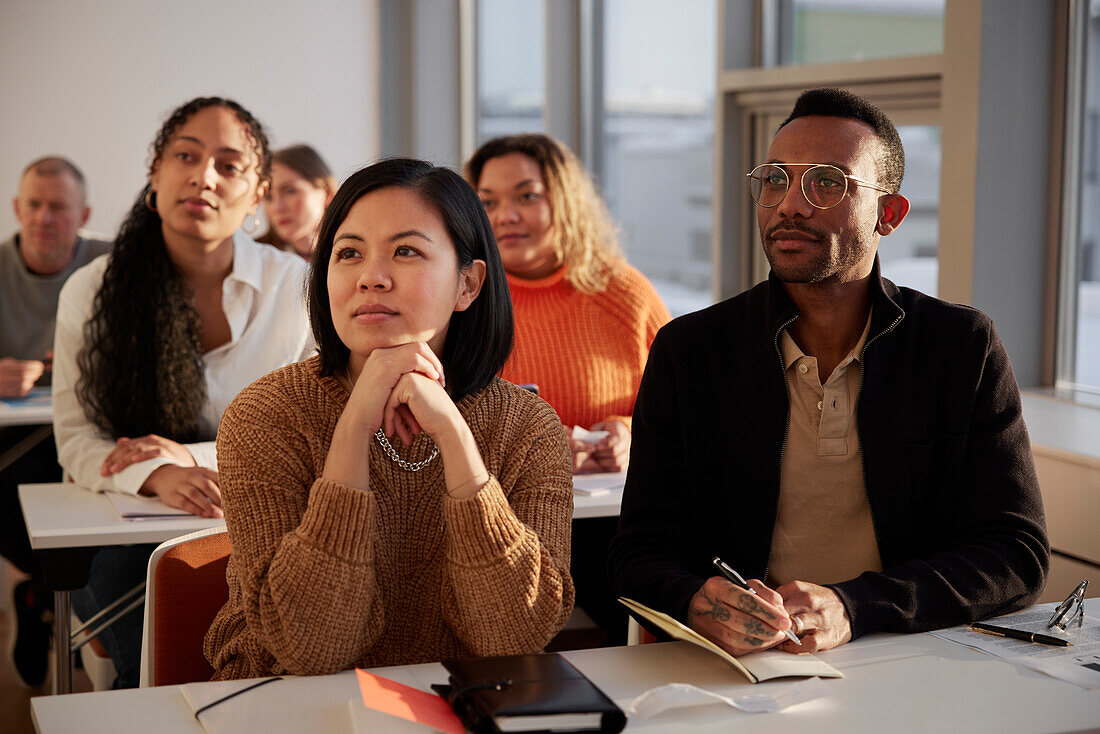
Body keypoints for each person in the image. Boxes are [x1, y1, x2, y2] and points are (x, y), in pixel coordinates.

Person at [609, 87, 1049, 657]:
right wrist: (695, 599)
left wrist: (852, 606)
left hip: (909, 657)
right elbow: (637, 552)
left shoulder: (959, 347)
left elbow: (1015, 553)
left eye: (826, 182)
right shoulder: (692, 350)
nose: (791, 204)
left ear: (888, 214)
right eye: (775, 180)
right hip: (746, 670)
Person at [204, 158, 574, 679]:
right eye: (349, 253)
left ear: (468, 284)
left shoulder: (528, 428)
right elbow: (308, 649)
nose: (371, 278)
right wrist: (353, 428)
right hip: (287, 707)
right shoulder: (267, 416)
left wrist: (455, 439)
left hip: (456, 708)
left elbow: (513, 636)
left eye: (406, 251)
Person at [51, 97, 314, 688]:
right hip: (124, 533)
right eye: (186, 156)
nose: (203, 176)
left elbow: (308, 428)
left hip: (265, 520)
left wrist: (186, 458)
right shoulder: (91, 292)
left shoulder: (295, 287)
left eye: (229, 164)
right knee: (159, 656)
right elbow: (75, 438)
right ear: (156, 173)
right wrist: (155, 476)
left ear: (258, 193)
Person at [466, 134, 671, 646]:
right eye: (487, 202)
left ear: (565, 200)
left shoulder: (623, 292)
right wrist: (534, 443)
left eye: (526, 195)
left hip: (614, 524)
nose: (506, 215)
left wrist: (627, 431)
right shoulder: (461, 301)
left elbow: (684, 412)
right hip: (503, 520)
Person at [1, 156, 111, 687]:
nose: (44, 218)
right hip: (13, 444)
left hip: (89, 432)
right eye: (35, 205)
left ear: (83, 214)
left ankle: (42, 595)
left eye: (59, 208)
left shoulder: (113, 265)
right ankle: (47, 591)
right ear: (17, 208)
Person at [258, 144, 336, 260]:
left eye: (290, 191)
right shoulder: (255, 259)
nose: (278, 207)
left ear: (327, 193)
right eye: (268, 197)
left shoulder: (355, 252)